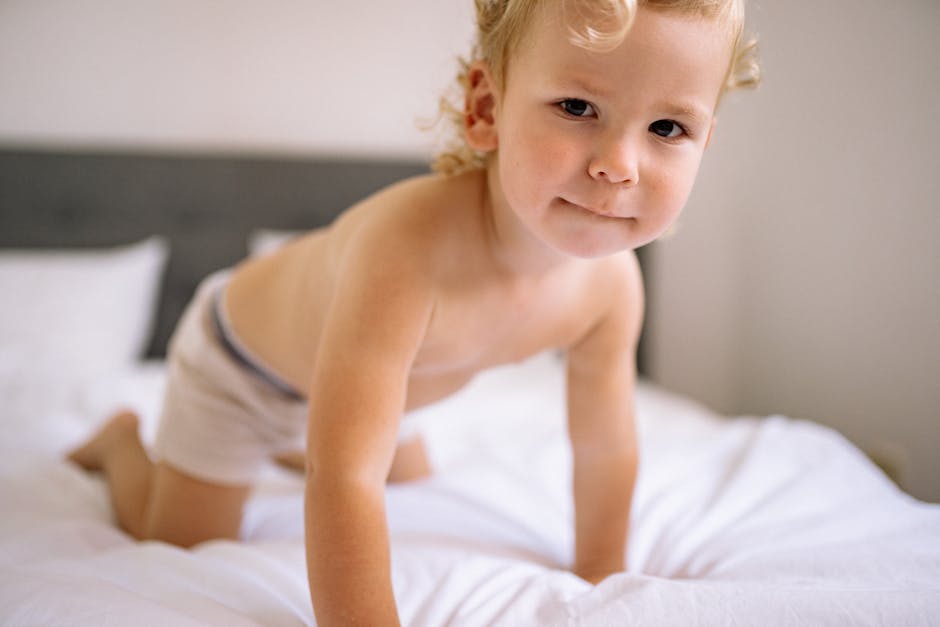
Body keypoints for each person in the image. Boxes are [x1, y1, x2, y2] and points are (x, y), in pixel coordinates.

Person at [68, 0, 759, 624]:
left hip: (366, 383)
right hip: (243, 367)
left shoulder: (611, 289)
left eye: (668, 126)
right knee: (183, 541)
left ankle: (304, 438)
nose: (619, 164)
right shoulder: (404, 256)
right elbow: (345, 477)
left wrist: (602, 571)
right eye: (578, 107)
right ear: (487, 109)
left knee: (390, 454)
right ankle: (123, 440)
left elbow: (604, 446)